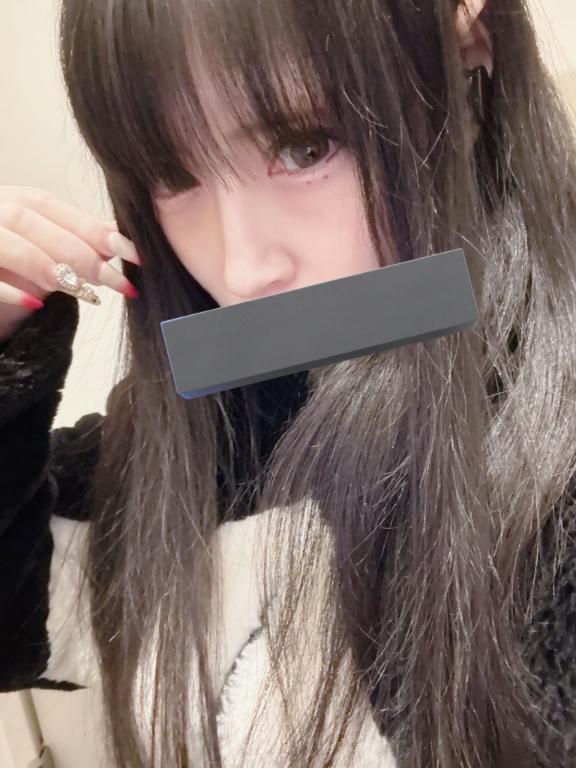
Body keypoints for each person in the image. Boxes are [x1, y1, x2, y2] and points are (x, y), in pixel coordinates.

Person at [1, 0, 576, 765]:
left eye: (305, 147)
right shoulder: (195, 428)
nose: (242, 268)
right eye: (174, 175)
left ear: (467, 60)